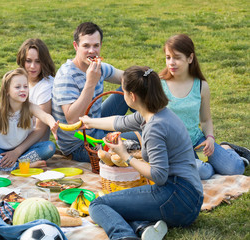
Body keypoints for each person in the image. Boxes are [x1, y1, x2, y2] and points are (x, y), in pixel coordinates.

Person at [80, 66, 203, 240]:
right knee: (121, 205)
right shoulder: (155, 113)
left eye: (123, 90)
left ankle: (123, 236)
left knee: (98, 205)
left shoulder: (154, 128)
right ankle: (143, 228)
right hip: (189, 197)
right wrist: (91, 122)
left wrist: (125, 156)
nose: (122, 93)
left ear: (133, 96)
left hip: (178, 198)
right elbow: (120, 122)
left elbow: (159, 175)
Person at [159, 34, 247, 180]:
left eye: (177, 57)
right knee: (203, 171)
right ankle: (209, 162)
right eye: (168, 57)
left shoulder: (201, 86)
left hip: (197, 141)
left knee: (236, 168)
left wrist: (210, 138)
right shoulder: (159, 85)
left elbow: (206, 120)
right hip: (172, 148)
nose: (171, 63)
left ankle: (228, 149)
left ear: (190, 58)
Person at [52, 22, 137, 162]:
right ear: (76, 46)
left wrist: (148, 77)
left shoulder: (98, 67)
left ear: (100, 45)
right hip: (81, 144)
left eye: (95, 46)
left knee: (128, 86)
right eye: (86, 46)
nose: (92, 51)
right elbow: (72, 119)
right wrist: (90, 83)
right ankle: (153, 131)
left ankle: (154, 121)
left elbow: (127, 78)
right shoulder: (66, 76)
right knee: (142, 137)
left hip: (95, 125)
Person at [0, 38, 56, 159]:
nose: (32, 66)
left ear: (44, 62)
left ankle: (11, 159)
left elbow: (41, 126)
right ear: (22, 60)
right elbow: (12, 103)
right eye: (28, 61)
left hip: (26, 139)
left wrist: (16, 152)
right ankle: (2, 152)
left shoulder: (45, 86)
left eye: (38, 61)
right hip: (8, 129)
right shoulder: (22, 77)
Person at [0, 68, 59, 171]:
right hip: (0, 151)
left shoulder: (30, 107)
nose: (23, 89)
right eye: (17, 87)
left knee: (49, 147)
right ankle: (20, 166)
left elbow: (45, 116)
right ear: (7, 91)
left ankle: (4, 165)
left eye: (25, 86)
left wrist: (52, 123)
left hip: (23, 150)